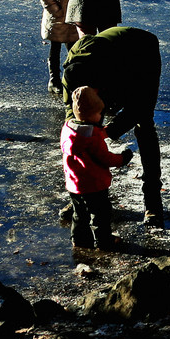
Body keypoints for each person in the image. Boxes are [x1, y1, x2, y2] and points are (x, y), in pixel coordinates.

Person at [62, 25, 166, 228]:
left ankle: (153, 202)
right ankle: (85, 196)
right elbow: (72, 115)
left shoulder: (121, 71)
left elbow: (138, 107)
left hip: (141, 53)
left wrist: (107, 132)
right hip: (106, 69)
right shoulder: (72, 74)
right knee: (85, 125)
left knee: (144, 124)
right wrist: (80, 133)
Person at [61, 85, 133, 251]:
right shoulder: (91, 137)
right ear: (90, 115)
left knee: (79, 214)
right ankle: (104, 241)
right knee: (100, 215)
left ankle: (79, 240)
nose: (101, 116)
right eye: (99, 113)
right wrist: (123, 158)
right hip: (94, 184)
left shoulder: (68, 130)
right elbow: (105, 158)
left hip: (74, 184)